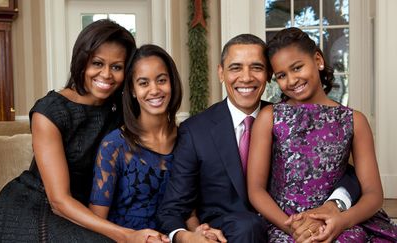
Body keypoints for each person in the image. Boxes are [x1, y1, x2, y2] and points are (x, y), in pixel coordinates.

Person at [157, 33, 361, 243]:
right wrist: (189, 235)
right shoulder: (195, 131)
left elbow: (343, 171)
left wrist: (336, 202)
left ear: (268, 74)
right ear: (221, 73)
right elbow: (172, 208)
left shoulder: (288, 118)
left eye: (256, 67)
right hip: (230, 235)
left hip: (291, 226)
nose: (246, 77)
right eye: (236, 68)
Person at [0, 19, 136, 242]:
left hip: (85, 209)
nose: (106, 74)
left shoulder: (119, 111)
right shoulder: (50, 111)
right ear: (82, 62)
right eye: (97, 63)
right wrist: (125, 234)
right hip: (36, 205)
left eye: (117, 67)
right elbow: (59, 200)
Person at [248, 27, 397, 242]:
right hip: (285, 223)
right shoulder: (269, 117)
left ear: (317, 60)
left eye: (297, 67)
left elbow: (373, 194)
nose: (291, 80)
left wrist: (341, 221)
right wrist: (294, 229)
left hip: (339, 221)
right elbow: (256, 190)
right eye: (281, 75)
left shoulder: (354, 120)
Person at [88, 44, 182, 243]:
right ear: (132, 89)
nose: (154, 90)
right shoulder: (114, 146)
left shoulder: (188, 139)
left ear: (172, 83)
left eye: (162, 80)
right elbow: (96, 223)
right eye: (143, 83)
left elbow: (190, 207)